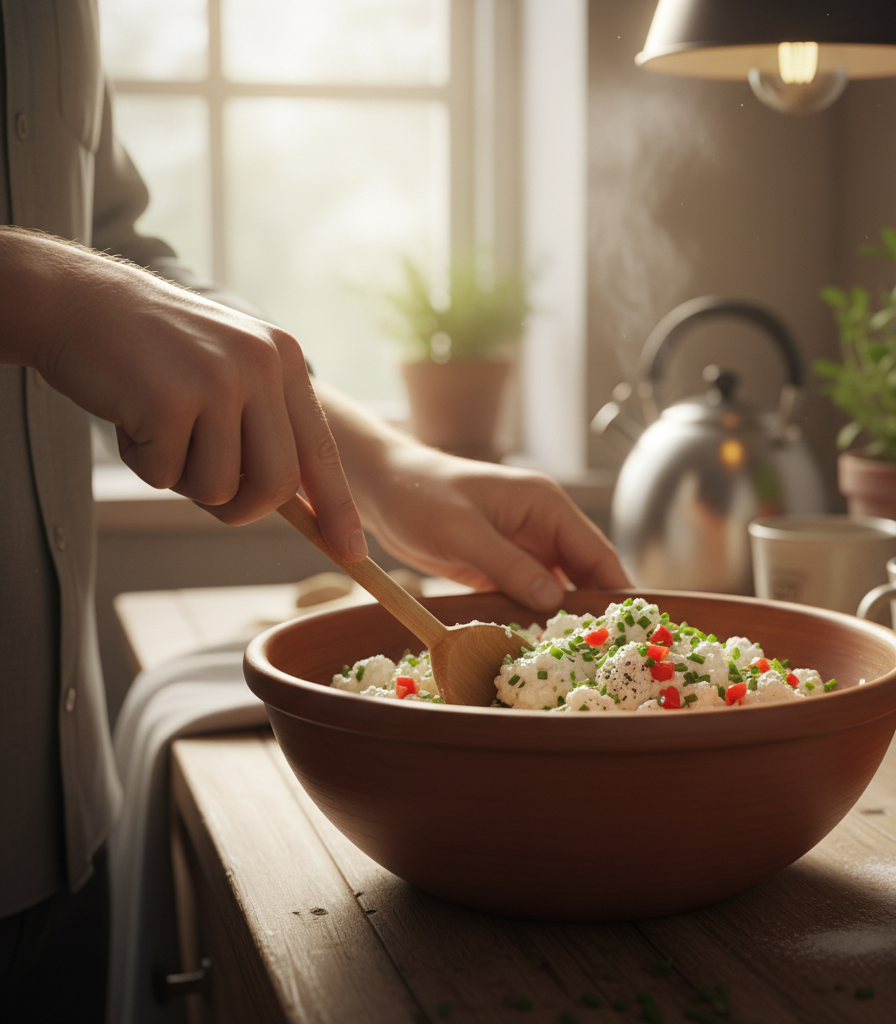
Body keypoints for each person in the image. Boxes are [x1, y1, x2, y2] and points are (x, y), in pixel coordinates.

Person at [0, 5, 628, 1021]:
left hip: (67, 822)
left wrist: (381, 462)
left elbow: (112, 253)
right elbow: (74, 280)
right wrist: (39, 290)